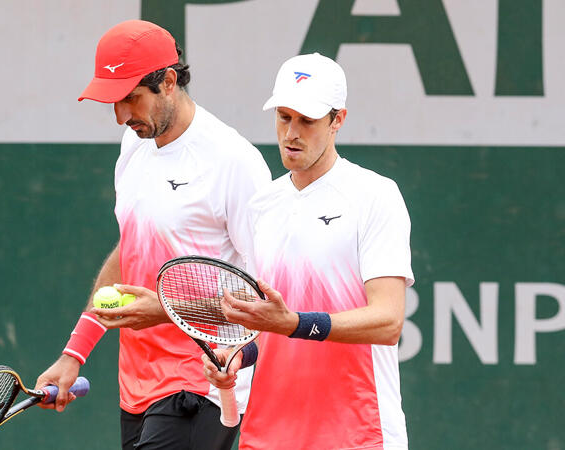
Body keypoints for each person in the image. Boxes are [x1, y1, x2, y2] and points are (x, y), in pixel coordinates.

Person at [34, 20, 272, 450]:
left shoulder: (233, 162)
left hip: (202, 382)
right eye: (113, 102)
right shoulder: (134, 147)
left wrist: (165, 309)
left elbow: (266, 300)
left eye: (130, 99)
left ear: (167, 82)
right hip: (138, 386)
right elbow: (131, 250)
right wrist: (75, 353)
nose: (121, 116)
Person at [202, 53, 414, 449]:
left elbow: (388, 321)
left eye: (307, 121)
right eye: (284, 117)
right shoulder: (261, 206)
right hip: (267, 435)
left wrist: (295, 323)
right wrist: (238, 355)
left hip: (356, 433)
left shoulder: (376, 196)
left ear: (338, 120)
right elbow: (266, 327)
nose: (291, 134)